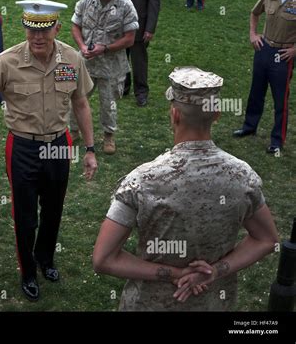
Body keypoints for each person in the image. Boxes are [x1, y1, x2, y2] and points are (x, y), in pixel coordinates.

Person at [93, 66, 278, 310]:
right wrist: (214, 271)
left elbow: (103, 259)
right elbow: (267, 240)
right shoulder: (243, 176)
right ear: (216, 115)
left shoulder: (141, 181)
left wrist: (173, 274)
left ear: (175, 114)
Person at [0, 0, 98, 301]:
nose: (37, 37)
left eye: (45, 30)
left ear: (57, 28)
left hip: (59, 145)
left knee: (54, 209)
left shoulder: (72, 60)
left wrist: (90, 148)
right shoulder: (6, 61)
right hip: (22, 147)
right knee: (25, 215)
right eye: (31, 30)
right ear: (24, 27)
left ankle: (46, 259)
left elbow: (81, 104)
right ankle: (27, 271)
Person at [70, 0, 138, 154]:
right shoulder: (86, 0)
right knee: (76, 97)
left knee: (109, 103)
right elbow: (75, 25)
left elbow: (130, 39)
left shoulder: (126, 5)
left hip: (111, 66)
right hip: (85, 63)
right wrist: (82, 46)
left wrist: (105, 48)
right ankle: (73, 131)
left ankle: (109, 136)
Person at [233, 0, 296, 154]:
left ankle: (277, 141)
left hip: (283, 54)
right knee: (256, 92)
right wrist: (253, 34)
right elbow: (254, 13)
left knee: (280, 99)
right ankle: (249, 127)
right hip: (264, 49)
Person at [124, 0, 160, 107]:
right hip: (120, 26)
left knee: (139, 62)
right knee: (121, 59)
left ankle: (141, 93)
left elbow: (154, 4)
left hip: (139, 26)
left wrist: (150, 28)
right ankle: (123, 87)